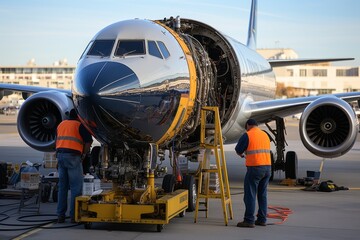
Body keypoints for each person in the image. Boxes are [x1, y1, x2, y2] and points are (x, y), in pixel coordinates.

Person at [56, 109, 93, 223]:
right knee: (76, 188)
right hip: (73, 157)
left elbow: (57, 140)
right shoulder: (80, 125)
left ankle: (60, 215)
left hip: (60, 155)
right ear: (78, 116)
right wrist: (84, 154)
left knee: (62, 187)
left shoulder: (61, 124)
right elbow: (88, 142)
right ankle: (74, 215)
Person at [235, 118, 271, 228]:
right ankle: (262, 219)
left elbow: (238, 149)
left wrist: (241, 154)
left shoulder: (248, 135)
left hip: (255, 168)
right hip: (267, 168)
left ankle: (249, 220)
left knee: (250, 195)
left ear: (248, 125)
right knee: (262, 195)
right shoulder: (265, 134)